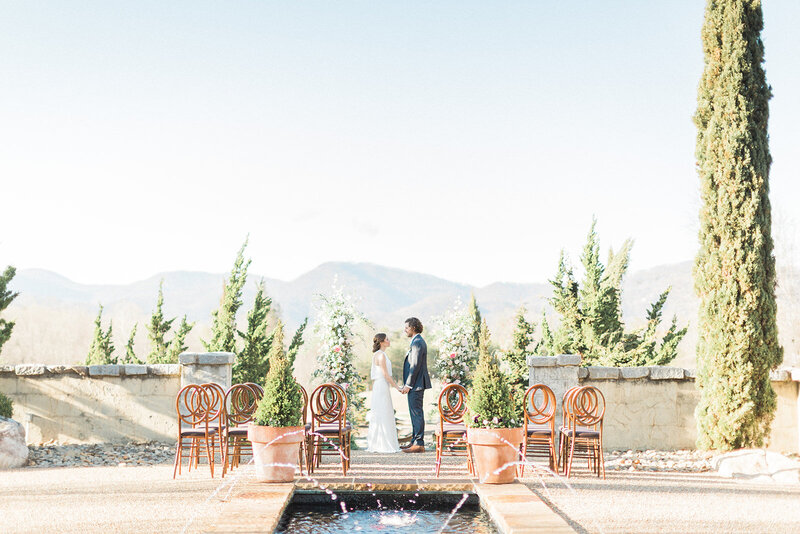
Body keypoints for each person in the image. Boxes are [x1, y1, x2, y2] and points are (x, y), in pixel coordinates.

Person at [400, 317, 431, 453]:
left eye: (406, 327)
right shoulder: (416, 341)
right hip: (416, 384)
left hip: (416, 385)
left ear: (413, 328)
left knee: (417, 413)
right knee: (414, 413)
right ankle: (414, 440)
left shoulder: (417, 342)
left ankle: (419, 443)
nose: (405, 330)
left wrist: (408, 385)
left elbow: (415, 366)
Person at [366, 333, 401, 453]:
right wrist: (397, 387)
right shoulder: (380, 356)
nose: (389, 340)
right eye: (387, 339)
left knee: (383, 411)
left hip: (380, 386)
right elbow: (386, 375)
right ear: (381, 342)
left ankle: (380, 442)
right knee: (383, 411)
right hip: (381, 386)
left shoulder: (380, 354)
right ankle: (383, 444)